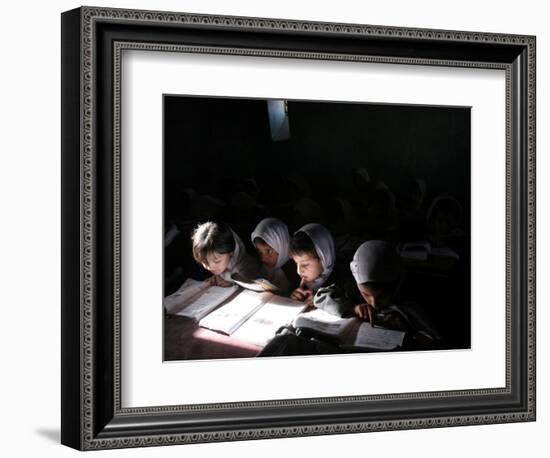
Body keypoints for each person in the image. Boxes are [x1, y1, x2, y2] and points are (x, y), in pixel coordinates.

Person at [349, 240, 440, 347]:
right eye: (366, 295)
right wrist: (355, 309)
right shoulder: (350, 289)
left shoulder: (417, 296)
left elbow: (436, 341)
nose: (374, 304)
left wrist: (406, 330)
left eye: (382, 295)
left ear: (397, 284)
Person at [191, 221, 259, 287]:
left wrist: (232, 283)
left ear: (231, 253)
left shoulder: (250, 268)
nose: (210, 267)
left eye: (217, 261)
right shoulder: (216, 261)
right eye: (205, 262)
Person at [288, 223, 335, 305]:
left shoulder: (343, 284)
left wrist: (322, 301)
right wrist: (294, 299)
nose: (298, 271)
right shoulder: (296, 280)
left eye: (305, 265)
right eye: (296, 264)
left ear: (324, 257)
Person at [251, 217, 293, 293]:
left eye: (268, 251)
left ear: (281, 245)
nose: (263, 258)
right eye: (259, 252)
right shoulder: (266, 267)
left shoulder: (294, 272)